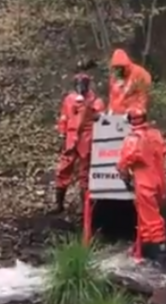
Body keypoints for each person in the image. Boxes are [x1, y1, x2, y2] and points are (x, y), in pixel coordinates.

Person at [116, 107, 166, 262]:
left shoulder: (133, 139)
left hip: (144, 183)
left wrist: (124, 177)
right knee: (149, 215)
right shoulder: (156, 134)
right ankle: (144, 246)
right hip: (159, 180)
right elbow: (163, 152)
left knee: (151, 219)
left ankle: (158, 251)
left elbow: (124, 162)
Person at [53, 72, 105, 213]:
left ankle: (85, 207)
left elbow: (101, 117)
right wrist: (62, 134)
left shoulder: (95, 101)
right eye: (78, 84)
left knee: (84, 171)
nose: (80, 87)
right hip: (71, 136)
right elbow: (64, 117)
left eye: (83, 84)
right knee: (64, 167)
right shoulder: (69, 99)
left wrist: (89, 109)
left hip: (86, 136)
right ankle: (59, 204)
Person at [108, 48, 152, 114]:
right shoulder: (115, 77)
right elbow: (112, 96)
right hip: (117, 116)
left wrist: (137, 110)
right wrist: (110, 110)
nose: (118, 70)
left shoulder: (139, 73)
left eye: (120, 67)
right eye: (116, 68)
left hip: (133, 115)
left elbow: (143, 95)